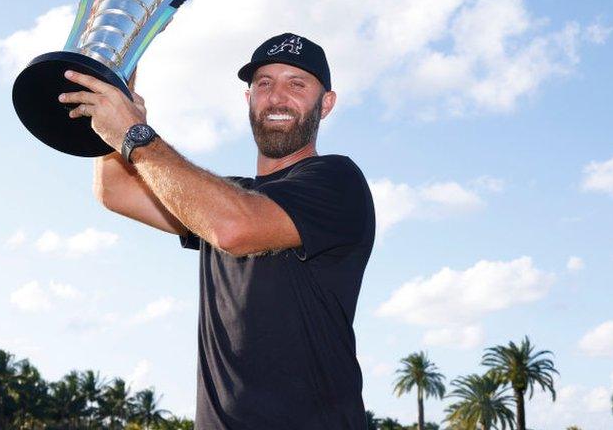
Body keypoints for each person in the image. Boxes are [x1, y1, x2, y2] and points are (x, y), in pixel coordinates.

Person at [59, 32, 376, 429]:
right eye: (264, 84)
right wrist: (120, 85)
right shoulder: (220, 198)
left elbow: (234, 227)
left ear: (325, 104)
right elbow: (115, 190)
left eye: (296, 84)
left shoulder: (337, 181)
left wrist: (135, 135)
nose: (277, 97)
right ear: (248, 100)